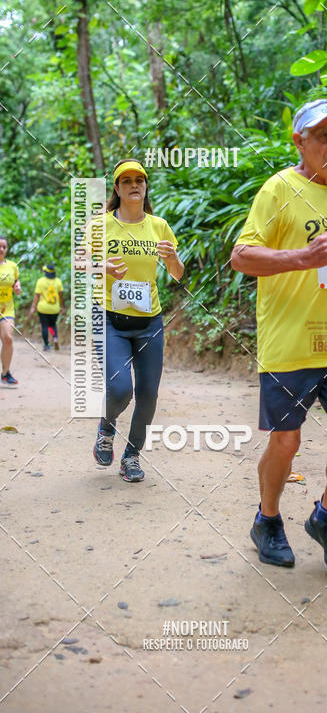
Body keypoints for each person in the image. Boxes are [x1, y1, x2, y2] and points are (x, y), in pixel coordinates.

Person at [230, 98, 327, 572]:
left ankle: (326, 518)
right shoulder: (278, 190)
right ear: (299, 141)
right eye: (324, 136)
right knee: (286, 444)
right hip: (289, 344)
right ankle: (267, 519)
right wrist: (301, 258)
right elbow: (241, 257)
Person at [89, 159, 184, 482]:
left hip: (149, 322)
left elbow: (177, 273)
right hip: (109, 319)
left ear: (145, 186)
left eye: (139, 180)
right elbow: (79, 263)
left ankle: (131, 456)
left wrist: (173, 259)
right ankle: (106, 427)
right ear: (116, 188)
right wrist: (103, 268)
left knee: (148, 395)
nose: (133, 185)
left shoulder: (159, 226)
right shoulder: (100, 225)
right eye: (126, 180)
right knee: (119, 391)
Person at [0, 234, 22, 386]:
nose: (1, 249)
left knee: (8, 338)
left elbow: (15, 281)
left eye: (4, 247)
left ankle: (5, 373)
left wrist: (17, 287)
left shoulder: (13, 266)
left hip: (6, 308)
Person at [29, 263, 64, 351]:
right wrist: (62, 306)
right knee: (52, 325)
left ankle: (46, 345)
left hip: (43, 308)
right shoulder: (58, 281)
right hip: (54, 308)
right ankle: (55, 338)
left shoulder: (41, 281)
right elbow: (60, 296)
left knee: (45, 326)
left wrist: (33, 306)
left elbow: (37, 296)